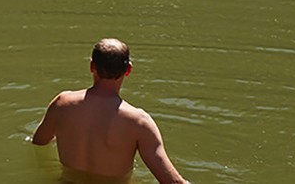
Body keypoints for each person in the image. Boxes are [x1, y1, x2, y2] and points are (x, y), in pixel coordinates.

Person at [31, 38, 190, 184]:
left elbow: (39, 141)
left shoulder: (62, 103)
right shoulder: (139, 122)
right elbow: (172, 182)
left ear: (92, 66)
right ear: (128, 69)